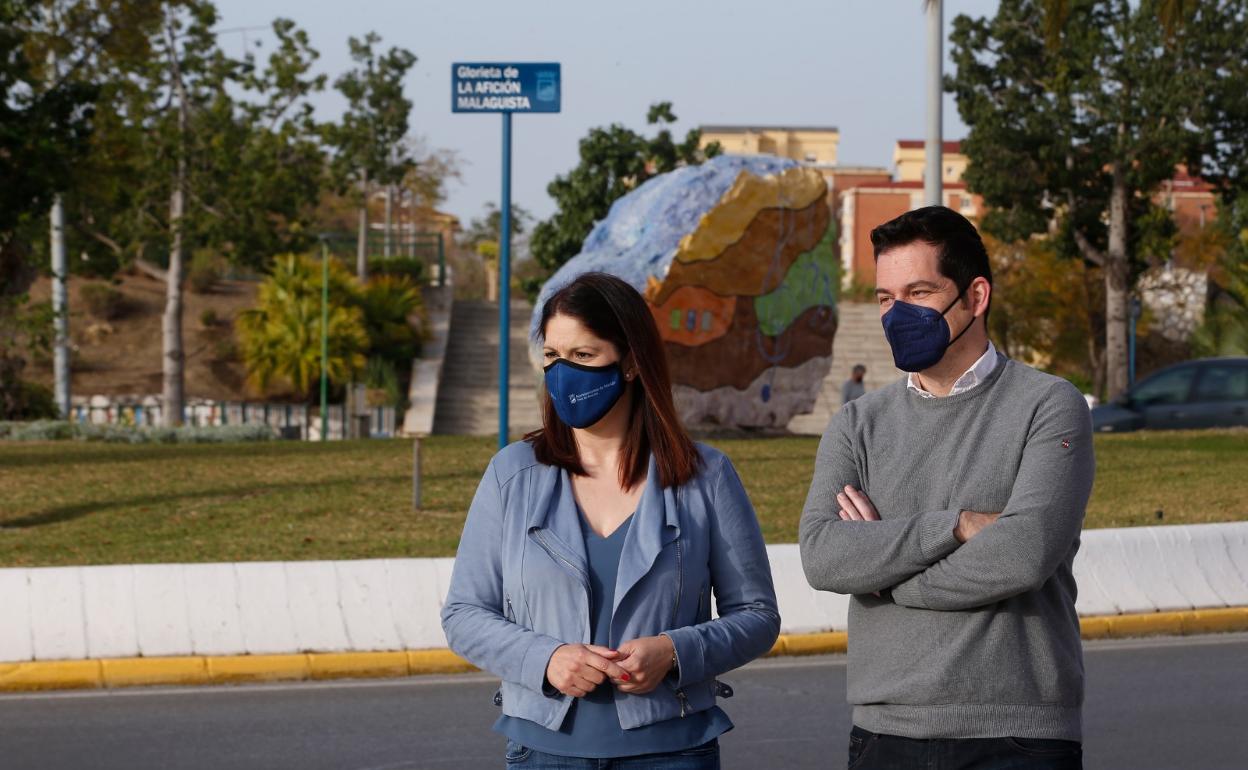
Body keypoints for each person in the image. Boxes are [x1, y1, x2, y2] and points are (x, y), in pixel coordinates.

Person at [442, 272, 780, 769]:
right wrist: (547, 659)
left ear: (630, 363)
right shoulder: (511, 474)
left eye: (584, 356)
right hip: (542, 754)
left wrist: (674, 650)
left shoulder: (706, 476)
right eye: (554, 357)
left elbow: (756, 615)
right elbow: (464, 614)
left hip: (673, 753)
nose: (563, 373)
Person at [799, 206, 1095, 770]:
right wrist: (957, 527)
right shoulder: (856, 424)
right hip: (884, 735)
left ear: (975, 296)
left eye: (918, 292)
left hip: (1021, 735)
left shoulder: (1048, 405)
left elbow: (1023, 555)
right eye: (886, 298)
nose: (896, 314)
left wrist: (886, 577)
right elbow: (823, 558)